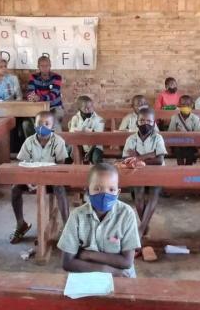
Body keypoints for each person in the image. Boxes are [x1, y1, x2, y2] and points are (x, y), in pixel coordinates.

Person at [57, 163, 141, 278]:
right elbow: (67, 263)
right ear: (87, 191)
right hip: (89, 276)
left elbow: (126, 262)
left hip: (122, 277)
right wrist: (105, 270)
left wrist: (88, 254)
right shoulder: (77, 216)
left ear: (118, 192)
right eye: (97, 189)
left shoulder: (126, 214)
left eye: (111, 189)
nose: (104, 194)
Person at [10, 111, 68, 244]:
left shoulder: (58, 142)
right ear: (34, 125)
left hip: (52, 178)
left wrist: (46, 179)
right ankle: (20, 224)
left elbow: (60, 165)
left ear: (53, 126)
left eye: (47, 124)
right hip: (32, 178)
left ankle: (67, 226)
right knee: (15, 189)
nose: (43, 126)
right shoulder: (29, 142)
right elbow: (22, 164)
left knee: (60, 188)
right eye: (39, 123)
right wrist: (28, 180)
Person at [122, 108, 167, 236]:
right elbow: (126, 159)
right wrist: (150, 155)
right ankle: (144, 224)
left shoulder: (158, 138)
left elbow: (159, 160)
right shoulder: (131, 139)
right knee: (138, 195)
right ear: (136, 122)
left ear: (154, 123)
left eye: (149, 121)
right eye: (141, 121)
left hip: (157, 171)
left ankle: (141, 229)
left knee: (154, 193)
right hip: (137, 172)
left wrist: (139, 157)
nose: (145, 124)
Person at [25, 56, 64, 133]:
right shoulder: (33, 77)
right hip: (38, 108)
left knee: (54, 122)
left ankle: (59, 144)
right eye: (42, 66)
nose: (45, 68)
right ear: (38, 67)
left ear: (50, 66)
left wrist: (39, 98)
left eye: (47, 65)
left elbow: (53, 95)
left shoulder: (57, 77)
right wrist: (31, 97)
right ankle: (34, 144)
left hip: (55, 108)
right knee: (26, 124)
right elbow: (30, 92)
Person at [68, 96, 105, 164]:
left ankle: (99, 173)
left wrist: (89, 153)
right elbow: (71, 132)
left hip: (94, 146)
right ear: (79, 109)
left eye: (91, 106)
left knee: (96, 159)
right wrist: (84, 130)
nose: (89, 109)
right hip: (78, 144)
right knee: (67, 154)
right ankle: (67, 172)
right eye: (85, 108)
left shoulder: (99, 119)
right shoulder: (75, 118)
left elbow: (98, 137)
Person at [168, 95, 200, 165]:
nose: (185, 106)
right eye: (183, 105)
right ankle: (180, 167)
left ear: (192, 106)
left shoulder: (195, 118)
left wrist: (189, 136)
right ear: (179, 106)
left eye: (188, 105)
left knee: (190, 151)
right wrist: (176, 133)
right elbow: (170, 133)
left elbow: (199, 134)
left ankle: (188, 167)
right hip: (178, 143)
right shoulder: (174, 118)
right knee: (178, 150)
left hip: (190, 143)